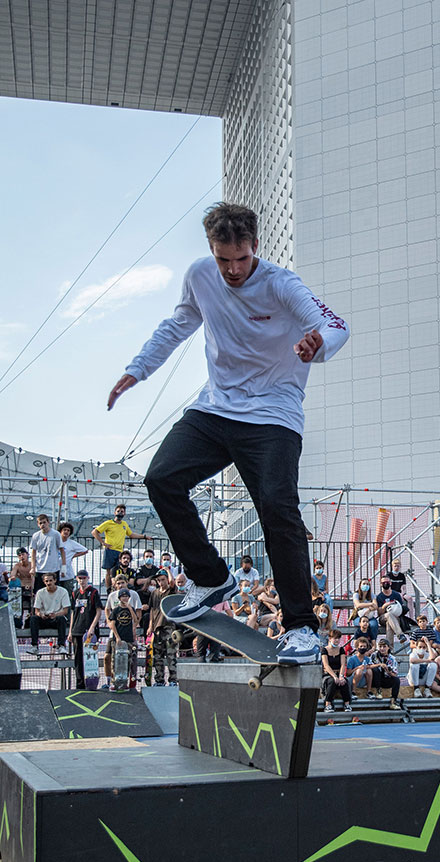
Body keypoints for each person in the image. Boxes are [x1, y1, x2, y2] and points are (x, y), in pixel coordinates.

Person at [107, 202, 349, 666]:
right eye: (224, 260)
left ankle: (301, 627)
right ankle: (211, 575)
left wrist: (318, 343)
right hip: (216, 408)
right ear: (211, 252)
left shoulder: (281, 284)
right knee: (162, 479)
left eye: (241, 259)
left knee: (278, 509)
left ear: (255, 247)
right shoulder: (200, 276)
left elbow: (334, 325)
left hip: (274, 413)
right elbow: (178, 324)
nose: (233, 270)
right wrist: (137, 370)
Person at [92, 504, 152, 593]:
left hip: (119, 551)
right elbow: (94, 532)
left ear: (124, 513)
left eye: (122, 511)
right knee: (109, 572)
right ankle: (109, 590)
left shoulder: (124, 524)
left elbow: (131, 534)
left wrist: (144, 536)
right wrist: (103, 542)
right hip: (110, 550)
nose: (120, 513)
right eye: (118, 511)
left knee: (118, 572)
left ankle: (119, 589)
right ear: (115, 512)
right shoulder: (108, 523)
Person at [68, 569, 103, 690]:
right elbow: (73, 612)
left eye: (84, 578)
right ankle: (80, 684)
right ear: (77, 579)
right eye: (80, 578)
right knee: (78, 658)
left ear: (88, 578)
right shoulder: (75, 593)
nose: (82, 580)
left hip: (89, 630)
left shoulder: (93, 592)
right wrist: (70, 631)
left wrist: (92, 627)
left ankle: (91, 682)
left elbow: (99, 611)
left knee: (90, 658)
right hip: (77, 629)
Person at [148, 571, 180, 684]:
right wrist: (150, 625)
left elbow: (172, 583)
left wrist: (167, 569)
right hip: (157, 627)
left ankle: (173, 679)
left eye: (163, 580)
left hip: (169, 626)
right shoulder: (154, 593)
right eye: (159, 580)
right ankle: (159, 679)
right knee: (157, 656)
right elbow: (152, 609)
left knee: (171, 654)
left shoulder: (170, 591)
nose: (161, 582)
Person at [106, 588, 139, 689]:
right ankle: (115, 682)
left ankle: (125, 682)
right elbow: (112, 624)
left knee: (128, 661)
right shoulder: (116, 610)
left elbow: (135, 619)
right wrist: (117, 637)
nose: (125, 598)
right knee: (115, 661)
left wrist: (129, 608)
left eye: (126, 596)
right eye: (123, 596)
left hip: (128, 638)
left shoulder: (131, 608)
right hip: (118, 638)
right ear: (119, 598)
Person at [29, 573, 70, 653]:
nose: (49, 583)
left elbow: (65, 611)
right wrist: (41, 615)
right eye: (46, 581)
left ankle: (61, 646)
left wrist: (55, 615)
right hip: (44, 619)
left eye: (50, 580)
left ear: (55, 580)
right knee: (33, 619)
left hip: (56, 618)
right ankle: (34, 646)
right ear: (44, 582)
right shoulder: (40, 592)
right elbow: (36, 611)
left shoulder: (63, 591)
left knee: (62, 619)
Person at [30, 514, 66, 592]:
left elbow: (62, 550)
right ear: (38, 524)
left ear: (48, 522)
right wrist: (33, 567)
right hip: (40, 569)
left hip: (53, 569)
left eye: (44, 522)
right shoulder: (35, 536)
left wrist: (63, 566)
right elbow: (33, 553)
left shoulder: (56, 534)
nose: (43, 525)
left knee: (54, 591)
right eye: (40, 523)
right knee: (39, 592)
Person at [321, 629, 351, 712]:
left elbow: (342, 664)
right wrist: (334, 676)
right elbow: (326, 665)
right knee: (332, 682)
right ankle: (328, 704)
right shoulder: (325, 650)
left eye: (338, 638)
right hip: (328, 674)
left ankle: (347, 704)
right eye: (335, 638)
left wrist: (341, 676)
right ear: (330, 639)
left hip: (338, 673)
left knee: (344, 682)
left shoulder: (341, 649)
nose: (337, 640)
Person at [58, 523, 88, 598]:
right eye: (64, 530)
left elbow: (85, 550)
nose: (66, 532)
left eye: (68, 530)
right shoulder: (56, 542)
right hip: (56, 573)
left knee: (67, 596)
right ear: (60, 531)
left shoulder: (71, 543)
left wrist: (73, 556)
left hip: (67, 575)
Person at [370, 638, 401, 708]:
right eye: (380, 646)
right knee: (375, 669)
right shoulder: (374, 655)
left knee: (396, 680)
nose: (382, 648)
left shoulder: (392, 658)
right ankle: (378, 692)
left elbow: (395, 674)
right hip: (374, 679)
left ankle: (393, 702)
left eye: (384, 646)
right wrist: (379, 665)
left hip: (386, 678)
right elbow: (368, 666)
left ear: (388, 647)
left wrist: (389, 671)